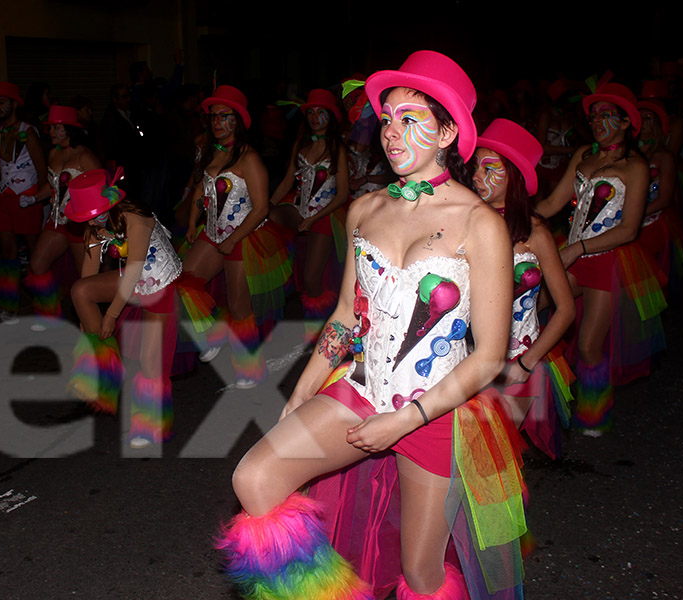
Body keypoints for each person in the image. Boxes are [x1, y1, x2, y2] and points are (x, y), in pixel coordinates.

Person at [217, 51, 523, 600]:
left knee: (421, 573)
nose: (392, 133)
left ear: (449, 132)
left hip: (437, 410)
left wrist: (406, 419)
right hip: (361, 390)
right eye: (387, 119)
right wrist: (302, 391)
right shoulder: (364, 209)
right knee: (255, 479)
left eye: (412, 119)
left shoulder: (481, 224)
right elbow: (345, 318)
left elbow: (489, 356)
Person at [536, 83, 667, 436]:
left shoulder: (636, 167)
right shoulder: (583, 155)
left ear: (626, 123)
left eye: (607, 115)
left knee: (590, 344)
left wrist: (576, 250)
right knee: (533, 316)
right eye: (594, 115)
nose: (597, 122)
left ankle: (595, 411)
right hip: (571, 252)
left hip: (608, 260)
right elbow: (552, 205)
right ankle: (538, 403)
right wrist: (512, 214)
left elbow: (628, 229)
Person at [472, 118, 575, 458]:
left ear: (514, 176)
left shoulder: (536, 234)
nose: (476, 177)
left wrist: (527, 364)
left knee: (496, 457)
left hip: (518, 359)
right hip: (465, 360)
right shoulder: (463, 224)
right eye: (475, 168)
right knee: (467, 459)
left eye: (490, 168)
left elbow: (565, 309)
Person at [182, 85, 291, 389]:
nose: (217, 122)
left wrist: (234, 240)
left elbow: (261, 208)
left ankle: (249, 369)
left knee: (240, 308)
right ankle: (214, 331)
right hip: (211, 232)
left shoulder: (250, 159)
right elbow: (200, 191)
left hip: (245, 237)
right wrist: (193, 222)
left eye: (224, 116)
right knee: (186, 283)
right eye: (214, 117)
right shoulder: (211, 152)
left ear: (238, 121)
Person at [66, 168, 182, 449]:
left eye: (96, 213)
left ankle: (148, 424)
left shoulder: (136, 221)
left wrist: (111, 315)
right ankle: (104, 365)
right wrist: (88, 320)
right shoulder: (94, 227)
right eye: (87, 216)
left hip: (158, 284)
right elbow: (89, 274)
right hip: (131, 281)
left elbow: (133, 273)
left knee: (149, 363)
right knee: (80, 291)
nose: (93, 221)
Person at [268, 89, 350, 343]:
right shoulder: (301, 145)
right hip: (299, 208)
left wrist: (313, 220)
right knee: (268, 220)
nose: (315, 117)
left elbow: (343, 194)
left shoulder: (338, 150)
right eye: (311, 112)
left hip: (326, 215)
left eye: (321, 112)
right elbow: (286, 182)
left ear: (331, 117)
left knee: (312, 280)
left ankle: (323, 334)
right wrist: (267, 205)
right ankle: (280, 269)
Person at [24, 105, 102, 317]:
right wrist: (33, 198)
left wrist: (99, 223)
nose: (50, 133)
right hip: (57, 221)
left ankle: (92, 327)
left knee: (85, 280)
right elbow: (52, 186)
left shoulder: (85, 156)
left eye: (55, 128)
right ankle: (50, 315)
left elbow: (104, 191)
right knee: (37, 264)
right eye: (49, 128)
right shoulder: (53, 153)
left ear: (68, 129)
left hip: (81, 226)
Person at [0, 82, 50, 326]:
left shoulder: (28, 132)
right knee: (7, 256)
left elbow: (43, 171)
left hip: (27, 199)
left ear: (14, 104)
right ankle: (8, 311)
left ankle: (44, 309)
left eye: (3, 102)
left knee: (35, 256)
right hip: (5, 199)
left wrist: (38, 200)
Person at [636, 97, 678, 282]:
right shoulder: (629, 154)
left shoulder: (664, 157)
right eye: (641, 118)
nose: (644, 124)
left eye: (649, 118)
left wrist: (636, 214)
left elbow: (665, 198)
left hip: (651, 223)